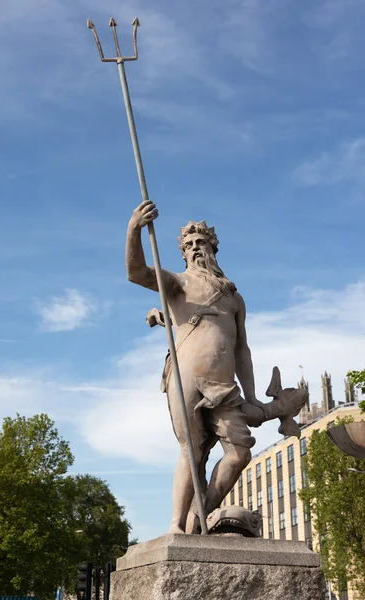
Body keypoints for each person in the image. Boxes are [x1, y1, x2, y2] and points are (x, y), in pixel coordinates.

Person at [126, 200, 304, 534]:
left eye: (201, 243)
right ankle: (178, 526)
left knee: (239, 454)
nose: (196, 249)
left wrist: (251, 395)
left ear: (213, 248)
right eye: (189, 245)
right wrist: (134, 228)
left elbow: (241, 348)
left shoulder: (234, 298)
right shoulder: (178, 283)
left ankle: (199, 517)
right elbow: (136, 273)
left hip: (224, 385)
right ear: (182, 253)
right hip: (186, 378)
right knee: (192, 453)